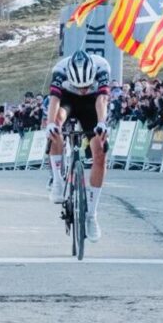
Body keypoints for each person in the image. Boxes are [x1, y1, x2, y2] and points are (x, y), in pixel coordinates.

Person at [46, 49, 111, 242]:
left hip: (92, 104)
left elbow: (102, 99)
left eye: (86, 85)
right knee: (56, 124)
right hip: (68, 101)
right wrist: (50, 124)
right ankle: (58, 181)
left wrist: (102, 123)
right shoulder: (60, 70)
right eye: (79, 86)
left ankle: (91, 215)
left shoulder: (102, 66)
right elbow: (55, 100)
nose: (83, 89)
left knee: (100, 151)